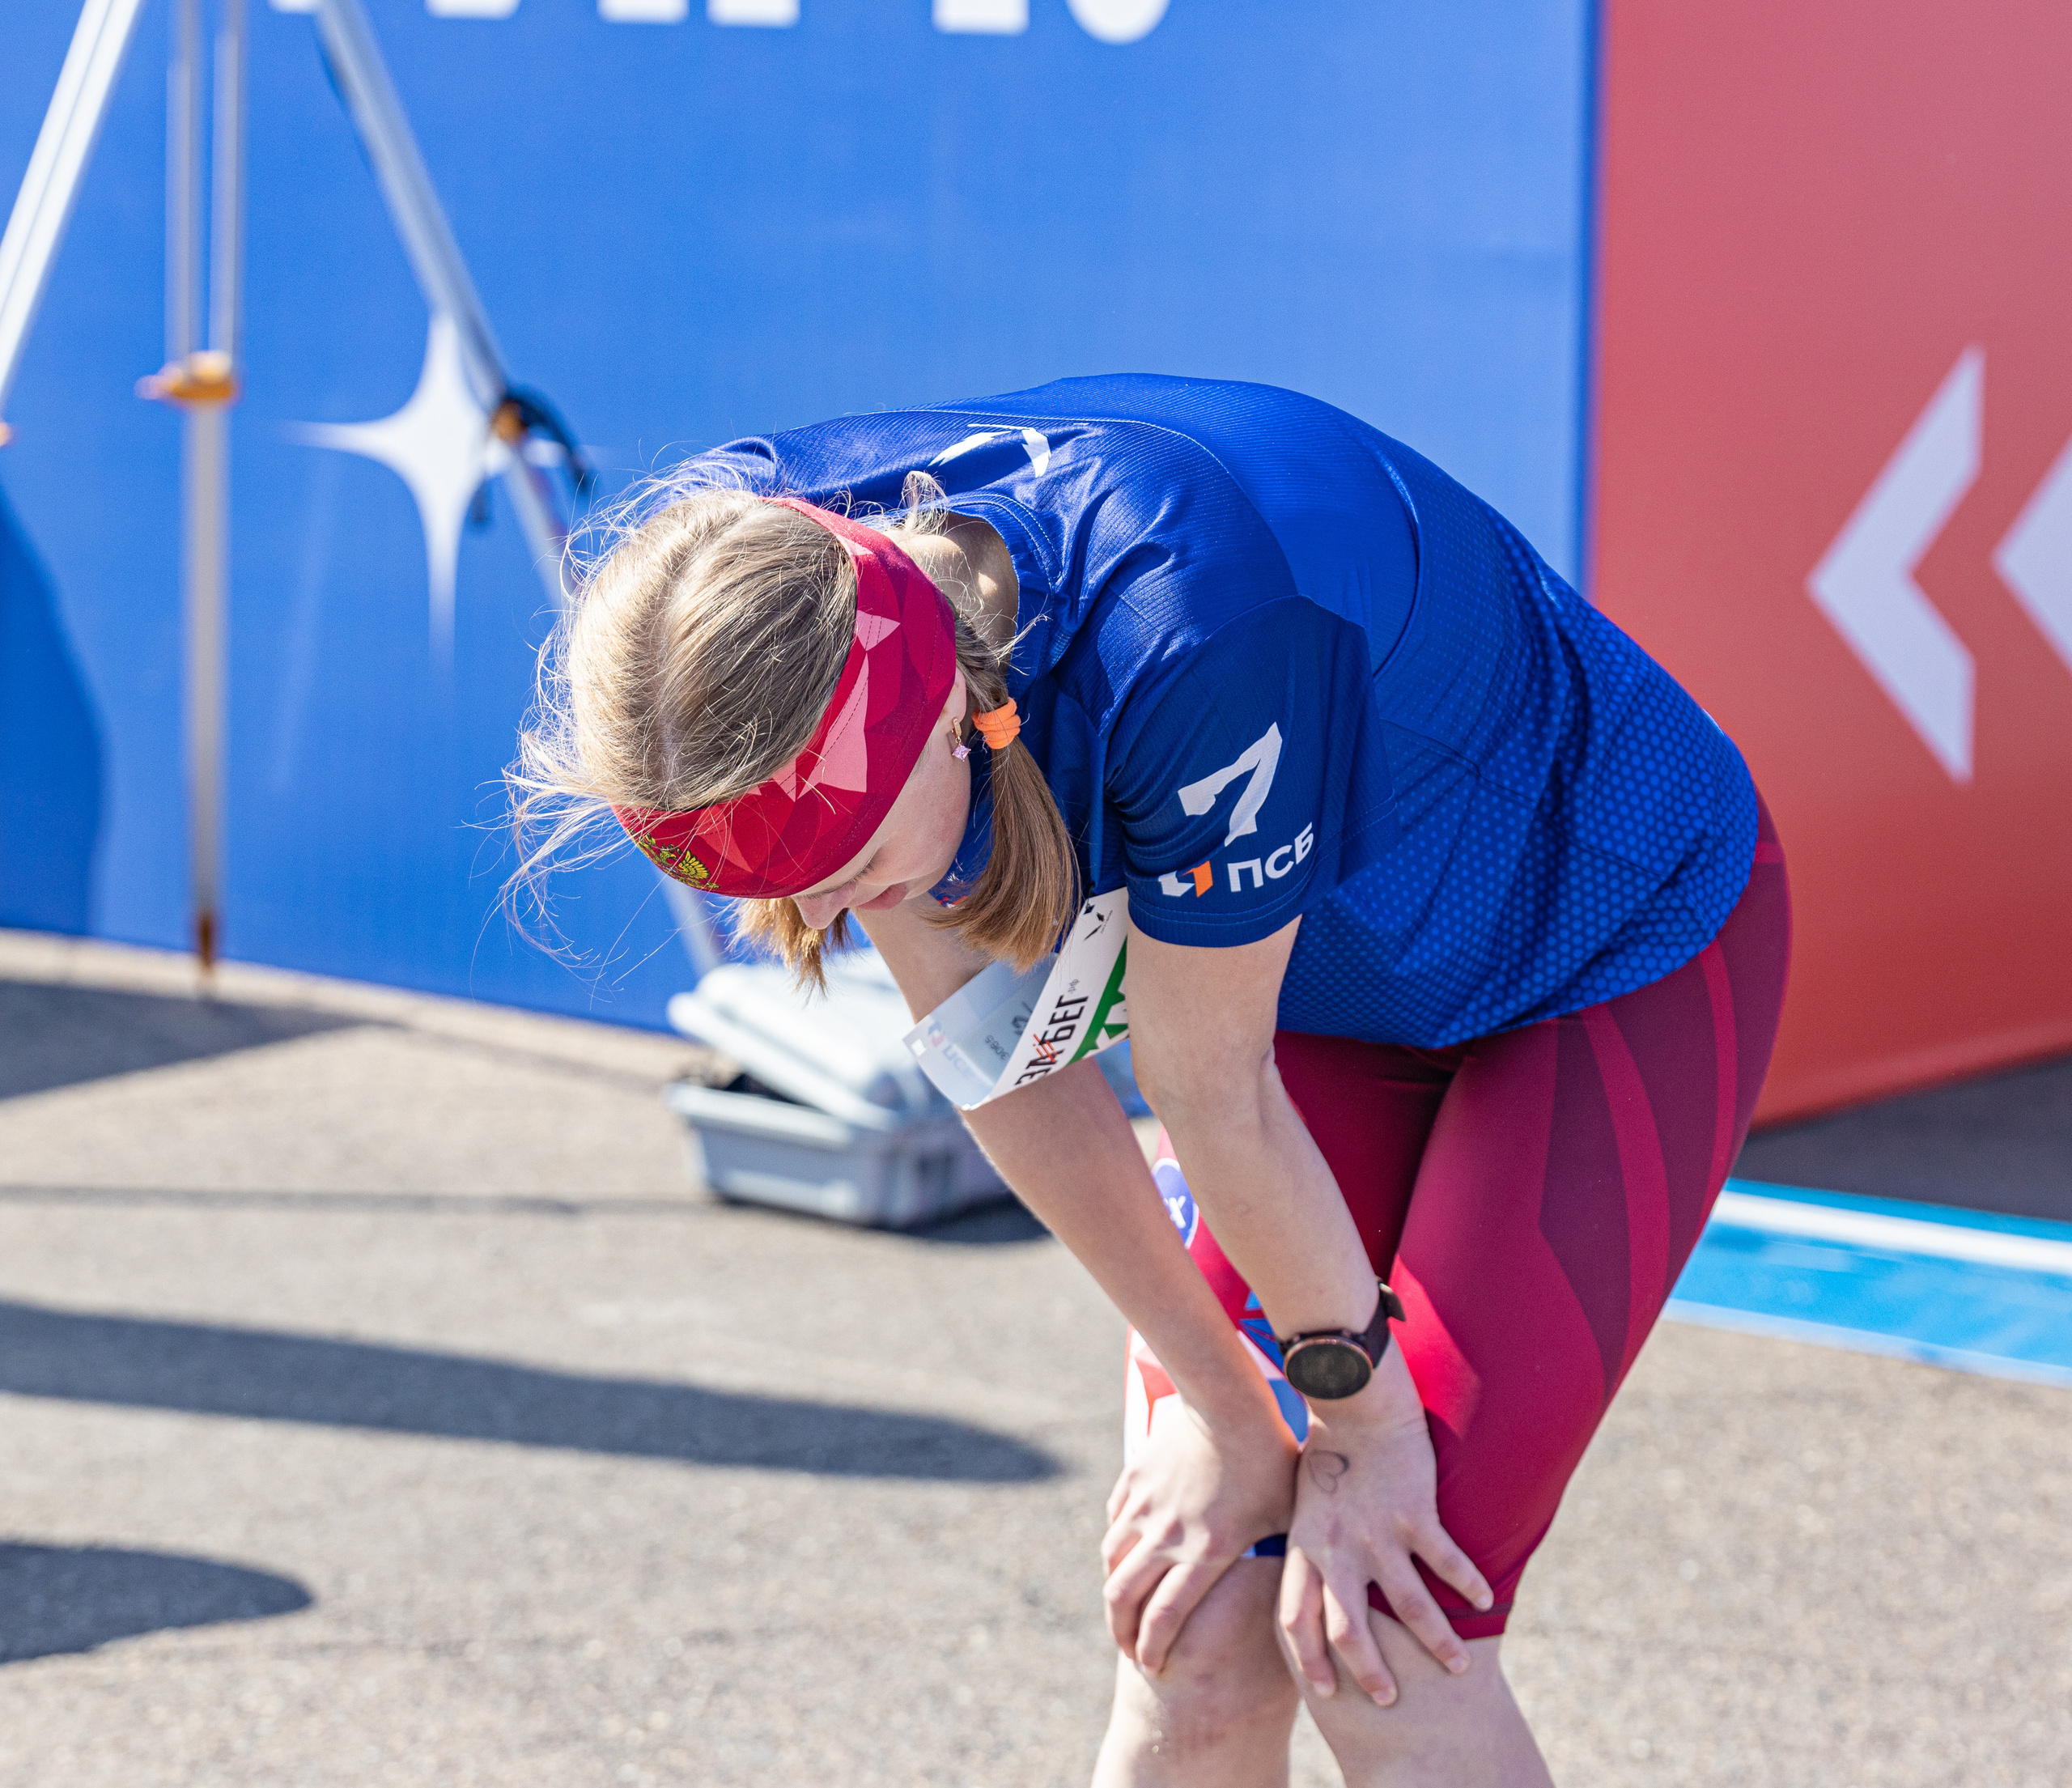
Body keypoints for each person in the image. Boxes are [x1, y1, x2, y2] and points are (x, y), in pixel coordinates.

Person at [515, 375, 1790, 1786]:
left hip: (1607, 940)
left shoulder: (1191, 628)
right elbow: (1008, 1063)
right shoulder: (745, 605)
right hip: (1319, 993)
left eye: (860, 877)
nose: (837, 927)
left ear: (948, 714)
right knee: (1195, 1630)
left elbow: (1212, 1092)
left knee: (1381, 1638)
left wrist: (1356, 1421)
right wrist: (1222, 1408)